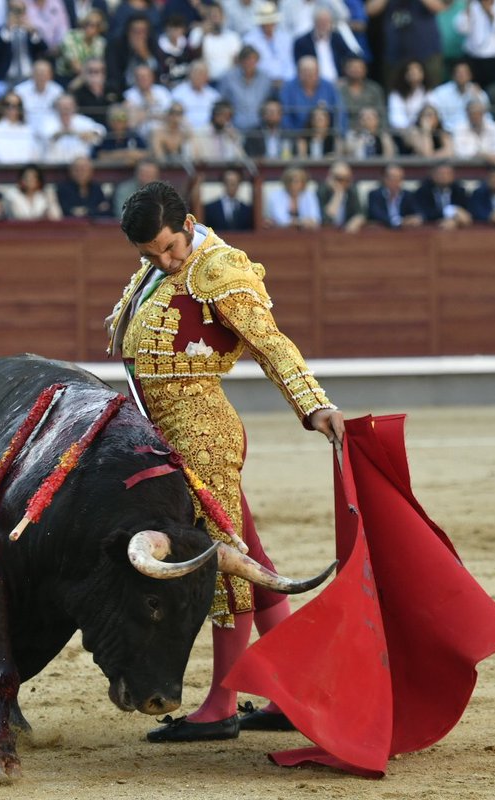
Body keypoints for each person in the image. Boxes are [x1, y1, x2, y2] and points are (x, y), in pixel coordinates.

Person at [108, 180, 344, 743]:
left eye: (168, 248)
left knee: (223, 564)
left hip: (201, 433)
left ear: (188, 224)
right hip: (164, 429)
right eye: (150, 254)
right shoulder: (158, 268)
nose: (163, 261)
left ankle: (220, 705)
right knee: (250, 559)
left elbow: (271, 343)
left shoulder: (220, 268)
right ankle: (294, 690)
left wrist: (315, 406)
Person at [455, 0, 495, 90]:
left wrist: (490, 12)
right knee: (473, 92)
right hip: (473, 58)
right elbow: (461, 29)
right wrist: (467, 10)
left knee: (494, 91)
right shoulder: (473, 6)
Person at [0, 92, 42, 164]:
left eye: (16, 106)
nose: (11, 109)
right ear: (2, 107)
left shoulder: (29, 130)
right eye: (8, 105)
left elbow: (35, 157)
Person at [415, 161, 472, 229]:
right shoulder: (423, 191)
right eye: (441, 173)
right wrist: (450, 212)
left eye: (448, 173)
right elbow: (423, 213)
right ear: (433, 175)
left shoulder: (459, 190)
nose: (444, 176)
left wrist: (455, 221)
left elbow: (465, 213)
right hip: (430, 229)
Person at [366, 163, 423, 229]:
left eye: (400, 178)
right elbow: (376, 215)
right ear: (385, 179)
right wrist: (399, 221)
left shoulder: (408, 195)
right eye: (393, 178)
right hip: (382, 230)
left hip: (404, 231)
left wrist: (416, 218)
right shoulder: (375, 195)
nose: (397, 181)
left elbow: (420, 212)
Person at [317, 159, 364, 232]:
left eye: (347, 179)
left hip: (346, 235)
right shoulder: (321, 191)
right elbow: (325, 220)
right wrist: (338, 195)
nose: (343, 183)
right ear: (329, 177)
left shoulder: (351, 191)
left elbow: (360, 213)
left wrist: (357, 219)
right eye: (339, 179)